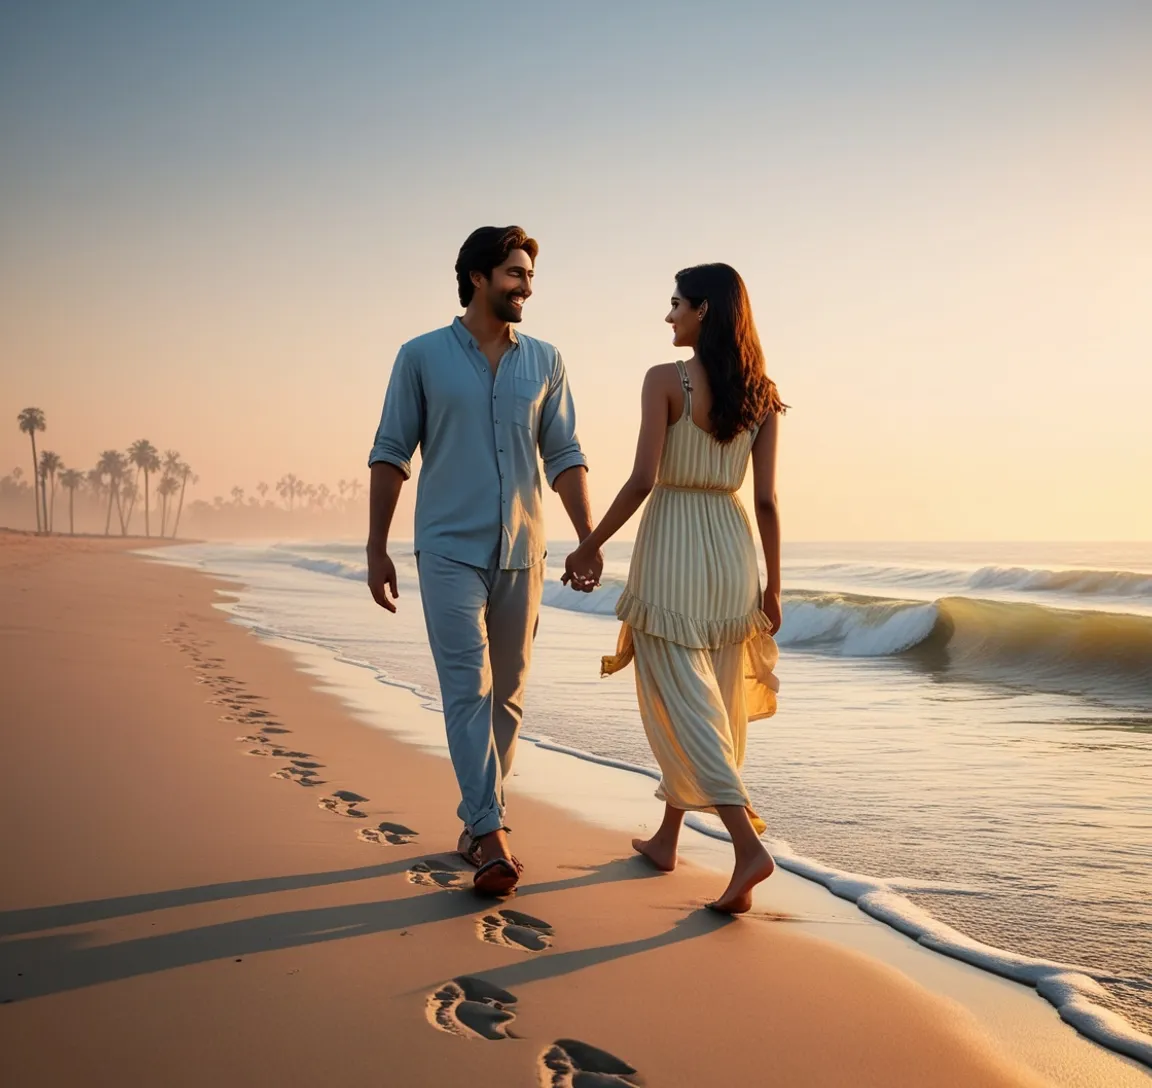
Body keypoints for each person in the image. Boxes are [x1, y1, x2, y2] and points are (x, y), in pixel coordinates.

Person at [366, 225, 601, 895]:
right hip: (446, 548)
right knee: (467, 687)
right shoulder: (420, 357)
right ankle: (491, 834)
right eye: (514, 274)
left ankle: (477, 824)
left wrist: (586, 536)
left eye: (529, 276)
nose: (526, 287)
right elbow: (390, 452)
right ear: (477, 277)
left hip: (522, 550)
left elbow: (564, 455)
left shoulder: (546, 362)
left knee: (510, 697)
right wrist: (377, 546)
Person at [564, 263, 785, 914]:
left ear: (705, 311)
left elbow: (641, 479)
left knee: (684, 699)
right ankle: (667, 839)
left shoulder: (667, 381)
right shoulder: (763, 394)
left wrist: (591, 542)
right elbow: (768, 500)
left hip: (676, 542)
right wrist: (774, 585)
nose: (669, 317)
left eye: (677, 304)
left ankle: (747, 847)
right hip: (733, 545)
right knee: (710, 692)